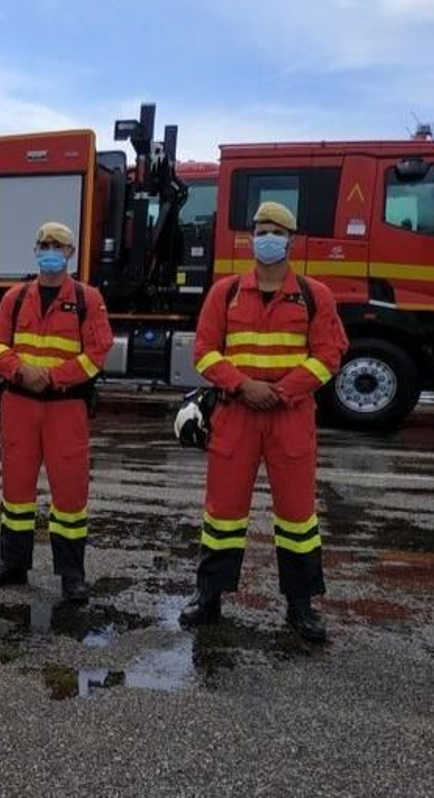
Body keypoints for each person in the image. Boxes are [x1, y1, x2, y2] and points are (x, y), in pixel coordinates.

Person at [179, 201, 348, 642]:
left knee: (297, 515)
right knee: (223, 511)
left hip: (289, 415)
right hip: (237, 413)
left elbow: (329, 354)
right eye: (260, 229)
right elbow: (204, 351)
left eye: (275, 230)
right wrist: (242, 386)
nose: (266, 237)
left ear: (290, 240)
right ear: (251, 238)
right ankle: (209, 596)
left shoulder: (316, 295)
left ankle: (301, 605)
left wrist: (283, 390)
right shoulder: (226, 292)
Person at [0, 223, 113, 602]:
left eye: (57, 245)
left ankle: (72, 575)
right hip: (19, 404)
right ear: (35, 249)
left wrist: (52, 377)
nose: (49, 249)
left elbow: (98, 353)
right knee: (16, 491)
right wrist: (21, 371)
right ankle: (13, 565)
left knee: (69, 493)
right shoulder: (15, 297)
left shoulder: (88, 298)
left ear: (70, 253)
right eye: (43, 244)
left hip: (65, 408)